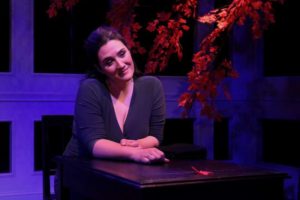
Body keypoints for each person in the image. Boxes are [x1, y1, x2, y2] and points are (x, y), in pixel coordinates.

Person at [63, 26, 169, 164]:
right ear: (99, 68)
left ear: (129, 50)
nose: (120, 64)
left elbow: (155, 137)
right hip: (82, 170)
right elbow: (95, 144)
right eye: (109, 62)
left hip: (126, 172)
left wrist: (137, 145)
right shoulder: (91, 88)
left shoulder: (152, 86)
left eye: (122, 53)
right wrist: (134, 153)